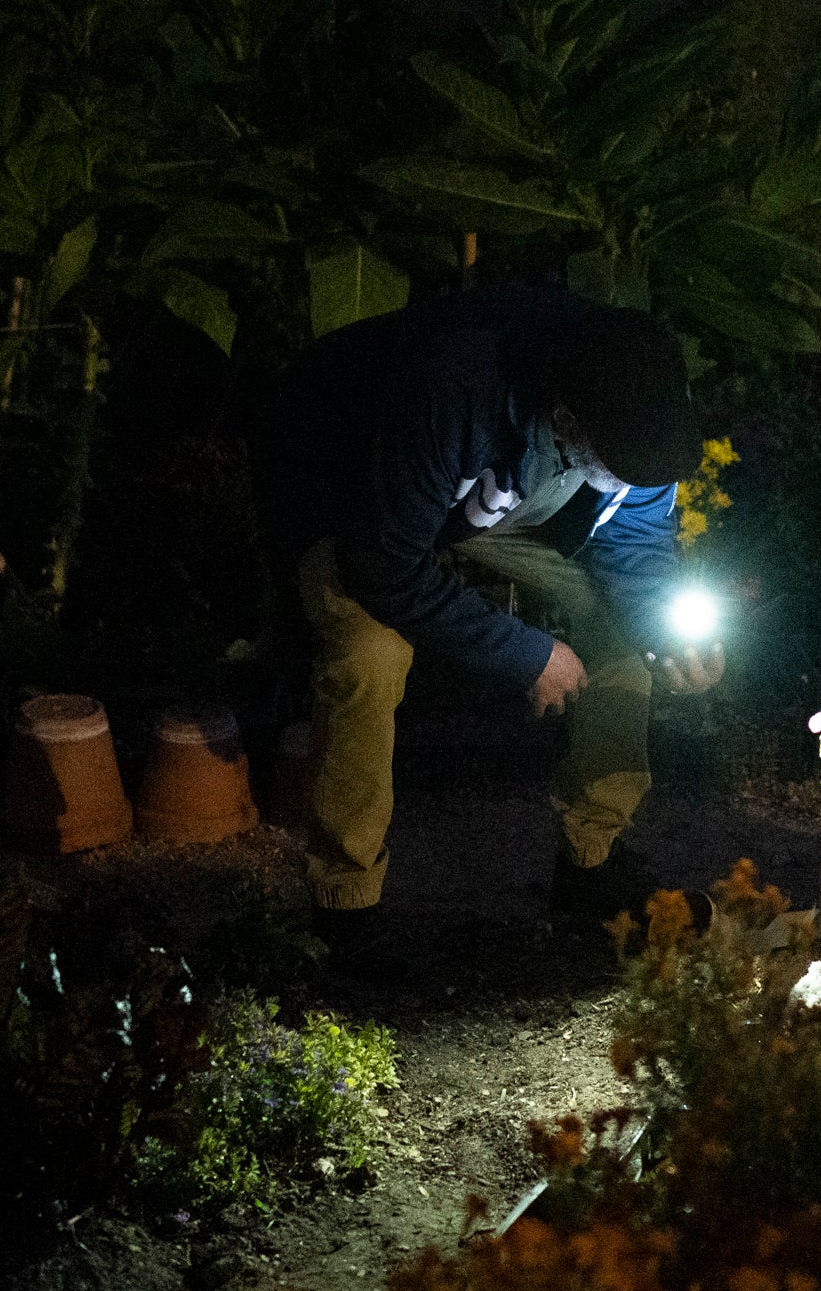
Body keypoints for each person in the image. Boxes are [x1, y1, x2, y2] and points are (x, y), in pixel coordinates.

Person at [257, 289, 720, 975]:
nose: (644, 476)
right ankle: (345, 907)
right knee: (369, 651)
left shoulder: (642, 415)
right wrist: (526, 652)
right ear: (568, 420)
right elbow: (384, 563)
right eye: (625, 463)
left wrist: (665, 634)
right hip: (353, 488)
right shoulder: (454, 387)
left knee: (619, 625)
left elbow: (638, 558)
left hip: (491, 500)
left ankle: (590, 863)